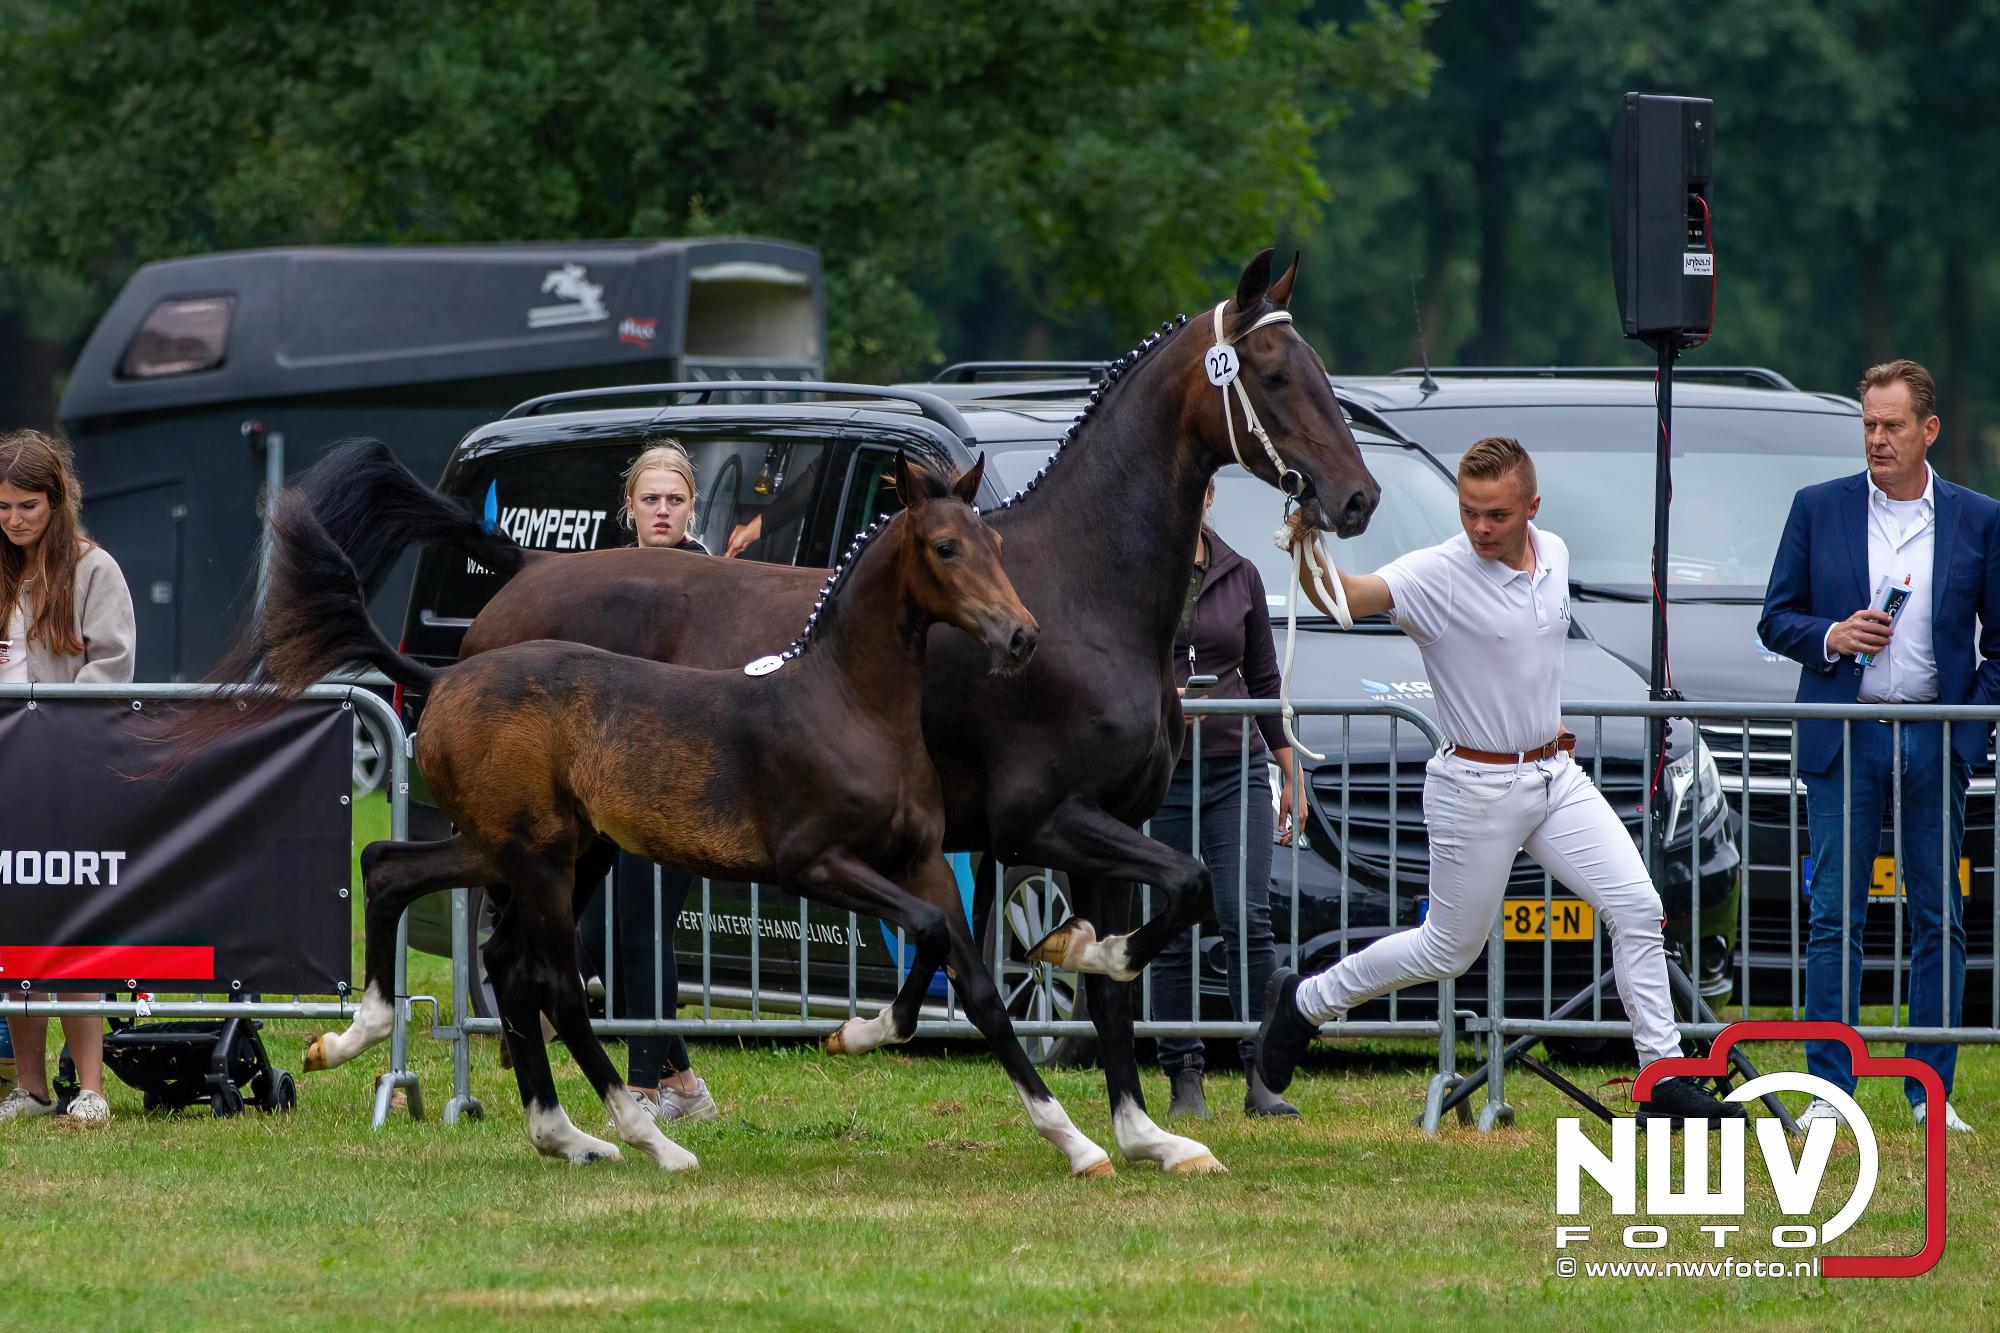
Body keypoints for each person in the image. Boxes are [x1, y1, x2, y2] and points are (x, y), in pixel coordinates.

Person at [1254, 436, 1738, 1124]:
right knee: (1448, 949)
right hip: (1472, 786)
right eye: (1468, 511)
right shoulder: (1437, 573)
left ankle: (1660, 1076)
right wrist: (1308, 541)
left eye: (1496, 515)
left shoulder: (1559, 554)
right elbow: (1343, 596)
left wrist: (1539, 725)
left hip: (1553, 774)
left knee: (1635, 906)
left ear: (1531, 509)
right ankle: (1304, 1002)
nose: (1480, 527)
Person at [1759, 359, 2000, 1135]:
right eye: (1868, 424)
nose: (1877, 439)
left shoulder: (1978, 517)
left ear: (1929, 430)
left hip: (1934, 733)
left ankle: (1931, 1092)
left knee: (1941, 917)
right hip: (1847, 732)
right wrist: (1831, 634)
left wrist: (1964, 735)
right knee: (1835, 917)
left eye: (1893, 425)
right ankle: (1831, 1092)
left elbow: (1998, 645)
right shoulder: (1817, 508)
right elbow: (1775, 617)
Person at [1151, 479, 1302, 1119]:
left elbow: (1266, 678)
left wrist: (1288, 764)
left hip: (1236, 768)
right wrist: (1164, 704)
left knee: (1247, 918)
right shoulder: (1140, 569)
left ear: (1210, 496)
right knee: (1173, 925)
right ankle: (1184, 1075)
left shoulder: (1240, 572)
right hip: (1159, 773)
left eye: (1200, 489)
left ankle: (1260, 1073)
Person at [0, 429, 136, 1125]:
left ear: (57, 501)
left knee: (70, 929)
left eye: (26, 506)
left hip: (69, 778)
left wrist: (42, 723)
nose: (14, 519)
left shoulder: (93, 570)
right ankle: (31, 1086)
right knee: (14, 928)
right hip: (6, 780)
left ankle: (91, 1086)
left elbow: (110, 673)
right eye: (3, 507)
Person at [582, 442, 719, 1123]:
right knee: (611, 930)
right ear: (628, 507)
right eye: (651, 499)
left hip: (682, 786)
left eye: (675, 499)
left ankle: (641, 1091)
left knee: (640, 925)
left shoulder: (708, 577)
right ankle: (685, 1084)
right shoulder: (611, 576)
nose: (662, 510)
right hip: (612, 782)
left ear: (693, 507)